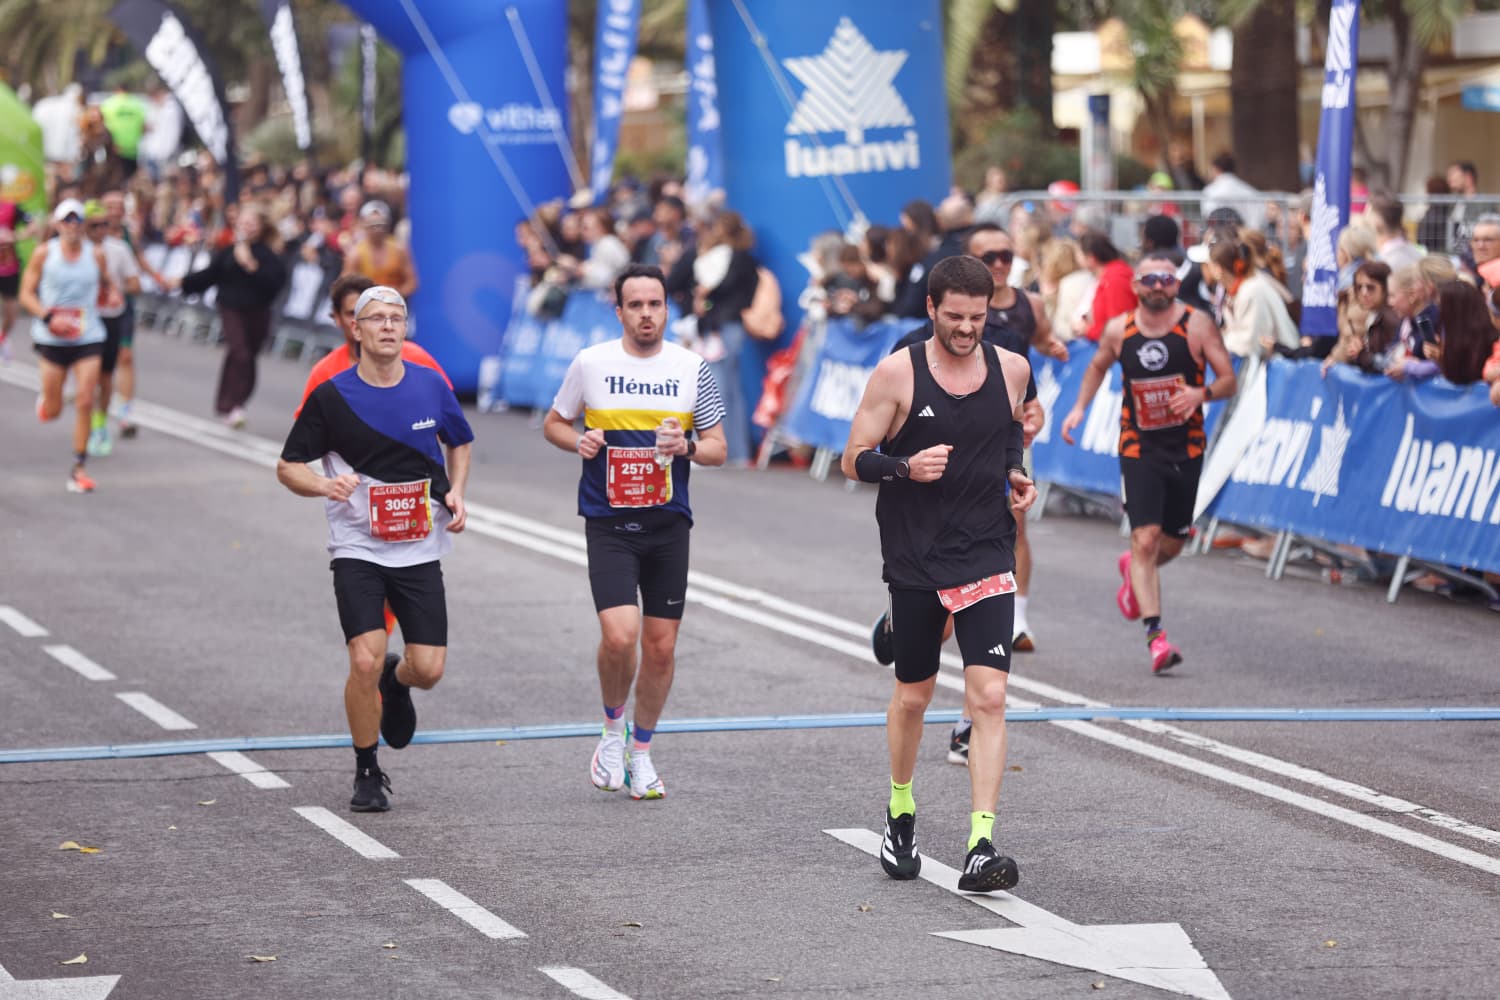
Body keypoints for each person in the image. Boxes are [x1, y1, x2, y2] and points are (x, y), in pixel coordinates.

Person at [841, 254, 1036, 892]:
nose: (966, 329)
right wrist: (904, 468)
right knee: (915, 697)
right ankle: (901, 811)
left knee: (989, 697)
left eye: (976, 318)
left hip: (985, 549)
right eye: (954, 317)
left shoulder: (1012, 369)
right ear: (931, 310)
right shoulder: (897, 373)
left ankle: (981, 844)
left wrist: (1015, 471)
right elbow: (853, 459)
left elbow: (1009, 430)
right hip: (917, 554)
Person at [276, 286, 473, 813]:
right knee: (362, 659)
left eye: (397, 318)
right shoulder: (332, 395)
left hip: (418, 547)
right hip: (356, 547)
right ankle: (367, 768)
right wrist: (323, 486)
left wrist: (456, 491)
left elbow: (460, 439)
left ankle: (397, 677)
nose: (388, 326)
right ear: (355, 330)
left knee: (427, 670)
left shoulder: (431, 386)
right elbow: (288, 466)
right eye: (376, 319)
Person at [543, 264, 728, 800]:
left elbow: (717, 447)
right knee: (620, 635)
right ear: (618, 310)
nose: (646, 314)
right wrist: (575, 441)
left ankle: (641, 752)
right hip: (609, 520)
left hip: (668, 523)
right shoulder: (592, 363)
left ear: (667, 309)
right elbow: (556, 421)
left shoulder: (692, 368)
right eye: (636, 305)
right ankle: (610, 729)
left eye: (655, 304)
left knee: (661, 647)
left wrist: (685, 447)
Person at [1060, 254, 1237, 673]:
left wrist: (1200, 395)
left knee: (1172, 543)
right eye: (1149, 280)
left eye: (1166, 279)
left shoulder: (1196, 325)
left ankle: (1134, 573)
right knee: (1145, 539)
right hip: (1139, 446)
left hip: (1187, 448)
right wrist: (1078, 409)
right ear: (1136, 286)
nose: (1158, 286)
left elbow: (1230, 378)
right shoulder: (1120, 329)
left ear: (1176, 285)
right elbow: (1098, 367)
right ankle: (1156, 637)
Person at [18, 199, 117, 493]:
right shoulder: (43, 254)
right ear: (58, 224)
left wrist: (111, 295)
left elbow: (106, 285)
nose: (72, 225)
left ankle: (78, 468)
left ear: (83, 225)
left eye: (77, 220)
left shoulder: (95, 254)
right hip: (52, 337)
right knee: (55, 409)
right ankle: (47, 403)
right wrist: (49, 318)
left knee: (86, 399)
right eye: (67, 220)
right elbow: (26, 294)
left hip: (88, 335)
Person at [176, 206, 288, 427]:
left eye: (252, 223)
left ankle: (234, 401)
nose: (247, 227)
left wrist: (251, 265)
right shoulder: (229, 251)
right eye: (244, 222)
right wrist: (182, 282)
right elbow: (209, 275)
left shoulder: (269, 255)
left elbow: (276, 283)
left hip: (258, 310)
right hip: (231, 307)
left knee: (246, 357)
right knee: (240, 352)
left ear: (262, 227)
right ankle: (233, 406)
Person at [298, 274, 450, 415]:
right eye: (352, 313)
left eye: (369, 315)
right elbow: (307, 432)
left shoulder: (416, 358)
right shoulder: (324, 372)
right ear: (336, 318)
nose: (359, 321)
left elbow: (448, 413)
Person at [83, 201, 140, 457]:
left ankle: (99, 425)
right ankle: (86, 422)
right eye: (94, 225)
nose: (100, 230)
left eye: (104, 224)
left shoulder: (119, 249)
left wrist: (116, 288)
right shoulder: (75, 250)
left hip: (111, 318)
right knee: (87, 377)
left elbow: (135, 285)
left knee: (105, 377)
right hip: (83, 320)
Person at [342, 201, 418, 299]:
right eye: (372, 225)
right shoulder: (355, 254)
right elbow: (346, 286)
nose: (377, 229)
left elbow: (411, 282)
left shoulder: (399, 250)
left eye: (380, 224)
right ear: (364, 225)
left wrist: (395, 296)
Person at [99, 85, 148, 180]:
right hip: (133, 148)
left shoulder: (109, 103)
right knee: (131, 177)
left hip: (115, 148)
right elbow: (143, 127)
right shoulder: (137, 104)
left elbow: (102, 126)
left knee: (115, 178)